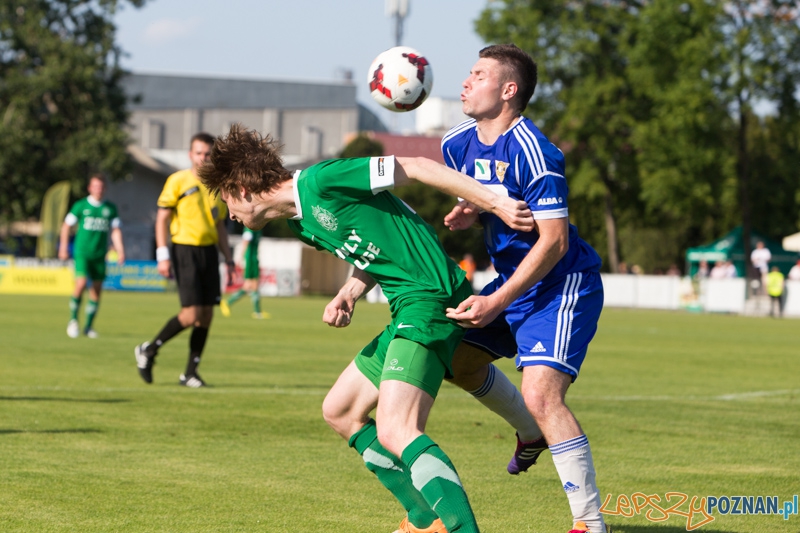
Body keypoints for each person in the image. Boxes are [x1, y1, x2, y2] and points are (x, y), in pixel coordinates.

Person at [198, 124, 536, 533]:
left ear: (243, 189)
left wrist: (495, 203)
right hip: (407, 306)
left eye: (226, 199)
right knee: (340, 411)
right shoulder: (300, 224)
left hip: (430, 297)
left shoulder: (323, 180)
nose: (228, 212)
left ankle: (460, 527)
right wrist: (350, 291)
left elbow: (416, 166)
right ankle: (424, 518)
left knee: (397, 429)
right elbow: (372, 248)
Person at [440, 44, 608, 533]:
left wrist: (496, 300)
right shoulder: (456, 142)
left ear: (508, 91)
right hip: (514, 283)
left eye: (479, 74)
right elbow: (481, 196)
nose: (466, 82)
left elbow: (554, 243)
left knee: (542, 392)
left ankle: (589, 522)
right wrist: (473, 210)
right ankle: (530, 433)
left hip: (561, 284)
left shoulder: (536, 152)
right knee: (459, 362)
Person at [134, 132, 235, 388]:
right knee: (190, 315)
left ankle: (190, 373)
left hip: (209, 252)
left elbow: (220, 226)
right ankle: (149, 349)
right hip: (184, 249)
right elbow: (162, 219)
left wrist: (229, 259)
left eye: (207, 153)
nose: (203, 158)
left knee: (206, 317)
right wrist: (162, 253)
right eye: (199, 153)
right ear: (190, 154)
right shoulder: (177, 181)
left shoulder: (218, 185)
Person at [58, 174, 125, 338]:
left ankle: (88, 326)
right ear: (90, 188)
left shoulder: (110, 208)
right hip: (82, 253)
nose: (98, 190)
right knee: (80, 284)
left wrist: (120, 250)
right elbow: (66, 226)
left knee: (96, 290)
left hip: (100, 254)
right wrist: (63, 247)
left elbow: (115, 230)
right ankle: (73, 321)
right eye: (95, 186)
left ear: (105, 189)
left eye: (101, 187)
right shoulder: (81, 206)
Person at [220, 226, 270, 319]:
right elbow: (245, 241)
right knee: (254, 284)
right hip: (250, 259)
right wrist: (241, 256)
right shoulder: (250, 228)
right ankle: (257, 312)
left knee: (248, 286)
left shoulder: (258, 226)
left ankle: (228, 303)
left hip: (253, 258)